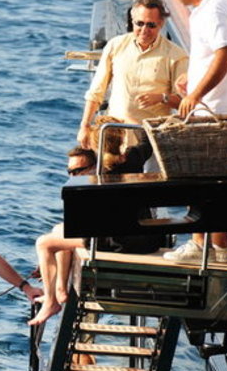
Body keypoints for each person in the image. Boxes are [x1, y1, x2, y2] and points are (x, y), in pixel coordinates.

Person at [162, 0, 227, 264]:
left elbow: (225, 55)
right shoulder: (211, 8)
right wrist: (192, 77)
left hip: (215, 108)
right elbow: (213, 55)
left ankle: (201, 244)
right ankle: (219, 249)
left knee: (200, 178)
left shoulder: (212, 10)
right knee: (216, 180)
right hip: (221, 105)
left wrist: (196, 94)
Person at [30, 117, 161, 326]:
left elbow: (83, 224)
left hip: (118, 242)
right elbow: (147, 142)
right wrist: (130, 121)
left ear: (95, 144)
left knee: (44, 243)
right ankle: (60, 290)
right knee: (58, 229)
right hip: (146, 239)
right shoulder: (133, 158)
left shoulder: (98, 175)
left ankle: (51, 302)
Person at [78, 0, 188, 152]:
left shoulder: (177, 56)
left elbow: (184, 103)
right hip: (114, 136)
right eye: (139, 23)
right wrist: (85, 126)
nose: (144, 30)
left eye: (151, 25)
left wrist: (161, 98)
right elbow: (96, 92)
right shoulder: (115, 45)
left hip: (150, 140)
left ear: (161, 24)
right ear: (132, 21)